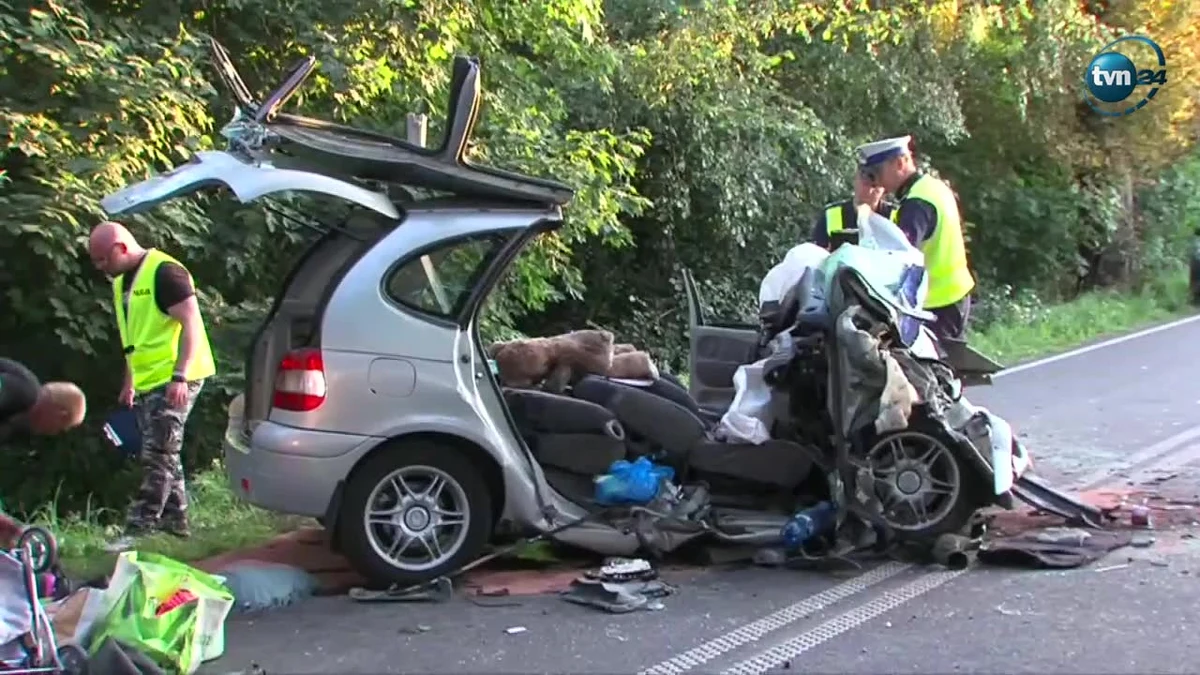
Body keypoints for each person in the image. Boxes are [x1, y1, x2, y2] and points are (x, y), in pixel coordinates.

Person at [88, 221, 216, 552]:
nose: (101, 267)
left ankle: (139, 529)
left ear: (121, 248)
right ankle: (177, 528)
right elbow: (135, 337)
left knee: (157, 453)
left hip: (176, 377)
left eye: (103, 259)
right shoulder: (122, 282)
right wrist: (130, 381)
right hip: (148, 379)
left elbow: (191, 325)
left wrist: (181, 376)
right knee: (165, 451)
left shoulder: (166, 273)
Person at [855, 135, 976, 340]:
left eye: (877, 173)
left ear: (900, 163)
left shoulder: (917, 203)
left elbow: (899, 258)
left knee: (931, 368)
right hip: (950, 294)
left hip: (938, 302)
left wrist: (865, 212)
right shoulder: (930, 187)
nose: (877, 182)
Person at [0, 358, 87, 547]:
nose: (54, 433)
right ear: (60, 414)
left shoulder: (15, 423)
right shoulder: (25, 392)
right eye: (62, 428)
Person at [809, 172, 897, 250]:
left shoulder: (895, 216)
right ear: (855, 180)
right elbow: (817, 257)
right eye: (865, 184)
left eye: (875, 187)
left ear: (885, 189)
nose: (869, 191)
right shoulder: (830, 215)